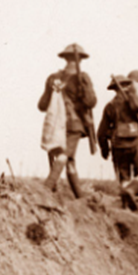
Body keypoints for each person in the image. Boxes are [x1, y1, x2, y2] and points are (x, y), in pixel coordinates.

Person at [37, 43, 97, 198]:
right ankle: (48, 187)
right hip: (73, 123)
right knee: (65, 155)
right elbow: (91, 102)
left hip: (55, 124)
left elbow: (42, 105)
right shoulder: (82, 78)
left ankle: (80, 196)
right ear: (80, 60)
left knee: (68, 159)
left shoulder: (53, 78)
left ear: (64, 58)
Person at [97, 74, 138, 211]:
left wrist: (105, 150)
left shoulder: (110, 106)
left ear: (114, 89)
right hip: (137, 142)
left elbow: (101, 132)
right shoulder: (135, 102)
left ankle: (126, 209)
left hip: (118, 145)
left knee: (124, 178)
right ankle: (132, 192)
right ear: (128, 85)